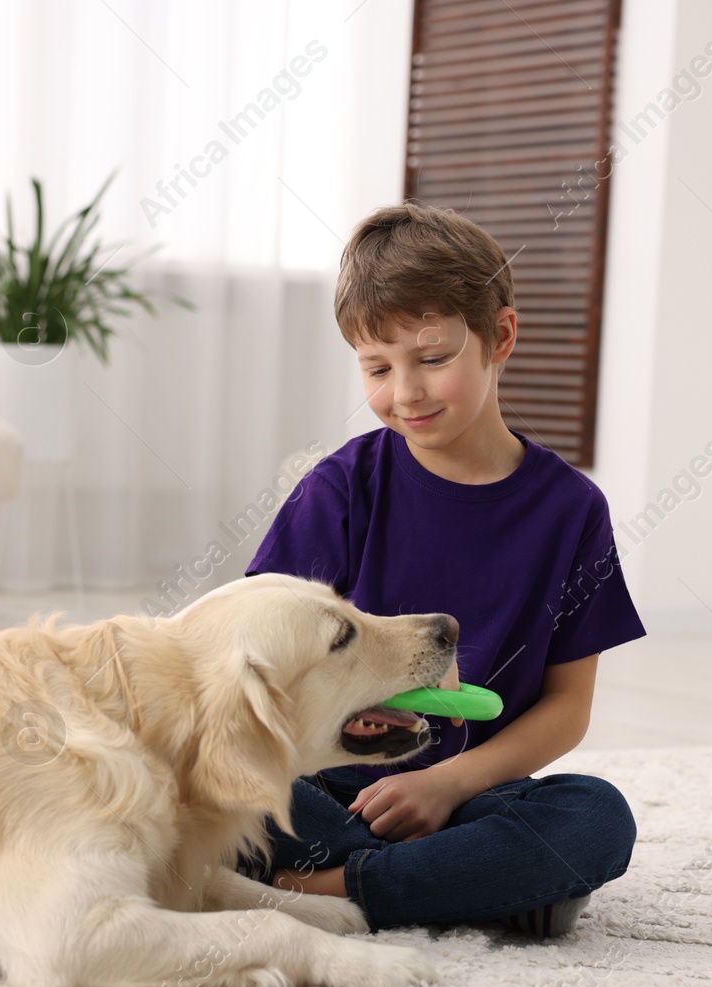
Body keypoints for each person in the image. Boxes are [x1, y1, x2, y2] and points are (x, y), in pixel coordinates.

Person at [236, 203, 643, 937]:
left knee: (595, 817)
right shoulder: (340, 488)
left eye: (432, 358)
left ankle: (328, 888)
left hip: (468, 793)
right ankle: (469, 883)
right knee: (225, 785)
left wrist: (445, 782)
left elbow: (567, 706)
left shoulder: (571, 510)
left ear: (500, 338)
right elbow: (255, 659)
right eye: (376, 367)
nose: (406, 392)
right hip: (325, 791)